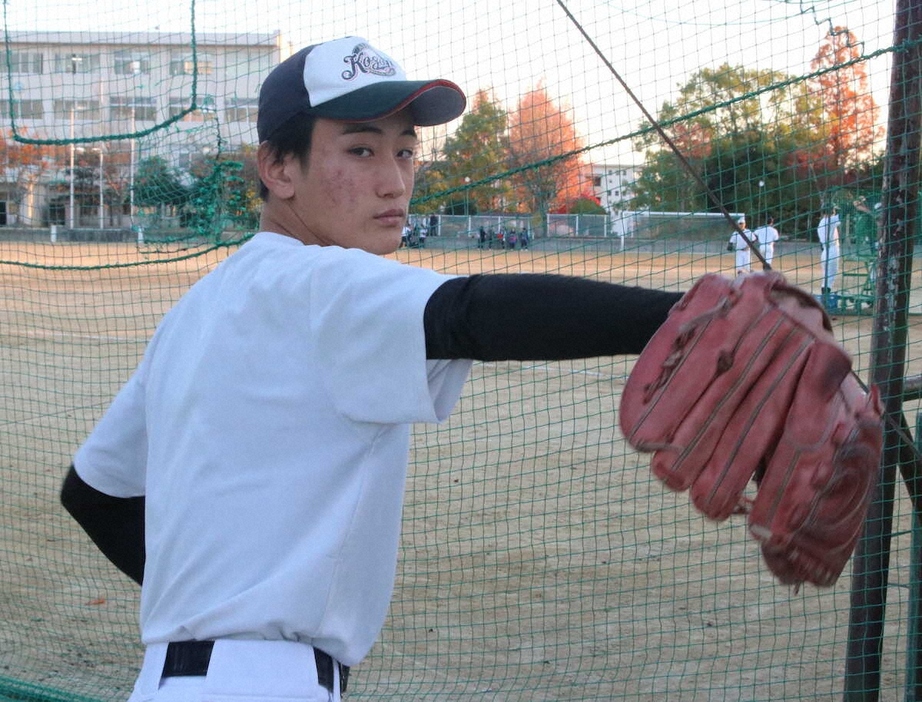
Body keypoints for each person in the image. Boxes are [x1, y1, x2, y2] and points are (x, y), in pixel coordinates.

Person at [59, 36, 683, 702]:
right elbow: (472, 312)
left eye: (405, 150)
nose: (394, 179)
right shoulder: (318, 280)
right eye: (360, 150)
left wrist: (218, 607)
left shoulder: (197, 309)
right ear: (278, 168)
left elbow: (93, 493)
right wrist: (696, 314)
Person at [817, 206, 841, 298]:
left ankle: (825, 298)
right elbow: (842, 215)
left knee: (826, 277)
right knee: (830, 277)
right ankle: (826, 299)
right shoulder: (829, 220)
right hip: (832, 250)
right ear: (832, 211)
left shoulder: (822, 222)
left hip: (825, 251)